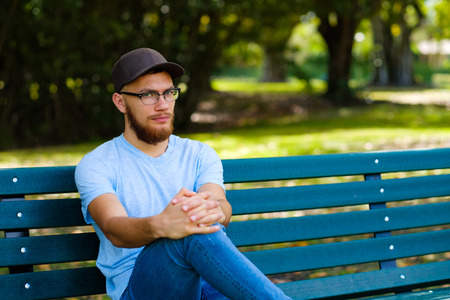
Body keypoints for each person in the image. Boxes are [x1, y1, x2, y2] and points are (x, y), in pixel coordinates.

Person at [75, 48, 291, 300]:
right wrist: (163, 224)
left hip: (202, 285)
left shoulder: (199, 153)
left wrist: (217, 211)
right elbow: (114, 229)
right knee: (189, 232)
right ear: (120, 102)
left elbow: (219, 204)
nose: (163, 104)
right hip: (141, 289)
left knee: (199, 225)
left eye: (168, 92)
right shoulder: (97, 163)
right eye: (148, 95)